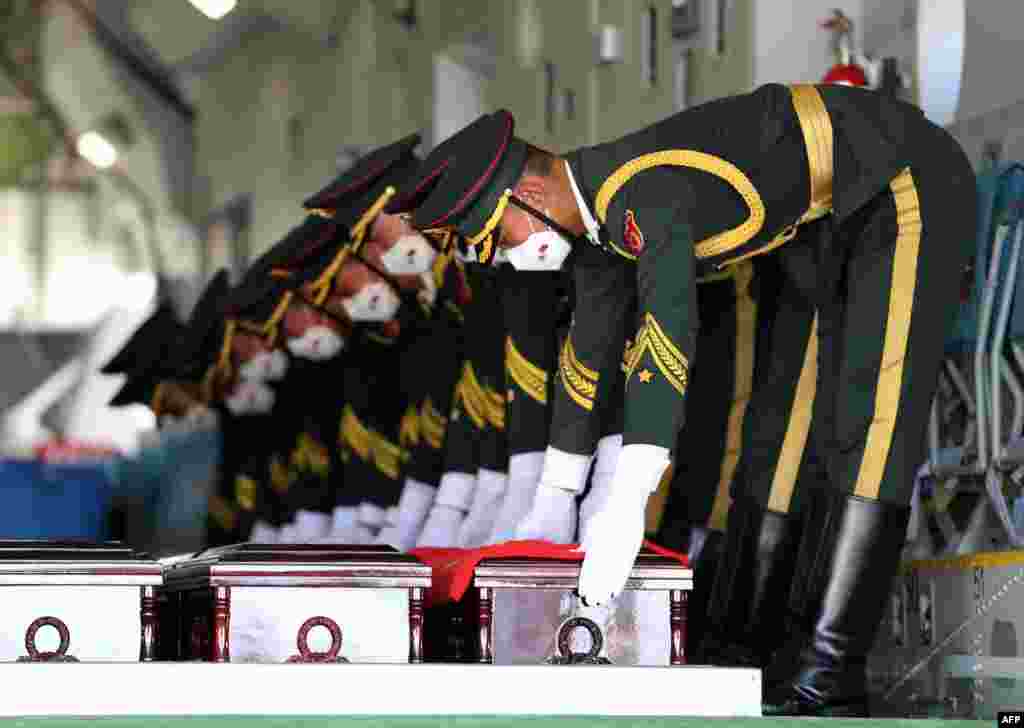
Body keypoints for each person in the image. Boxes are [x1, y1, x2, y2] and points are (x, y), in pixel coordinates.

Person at [407, 83, 976, 716]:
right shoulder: (597, 233)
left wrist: (626, 503)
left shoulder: (641, 189)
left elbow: (665, 338)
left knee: (872, 419)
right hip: (823, 225)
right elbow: (586, 359)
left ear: (531, 195)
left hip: (898, 178)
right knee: (777, 432)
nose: (506, 259)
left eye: (499, 238)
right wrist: (555, 497)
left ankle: (830, 669)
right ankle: (752, 649)